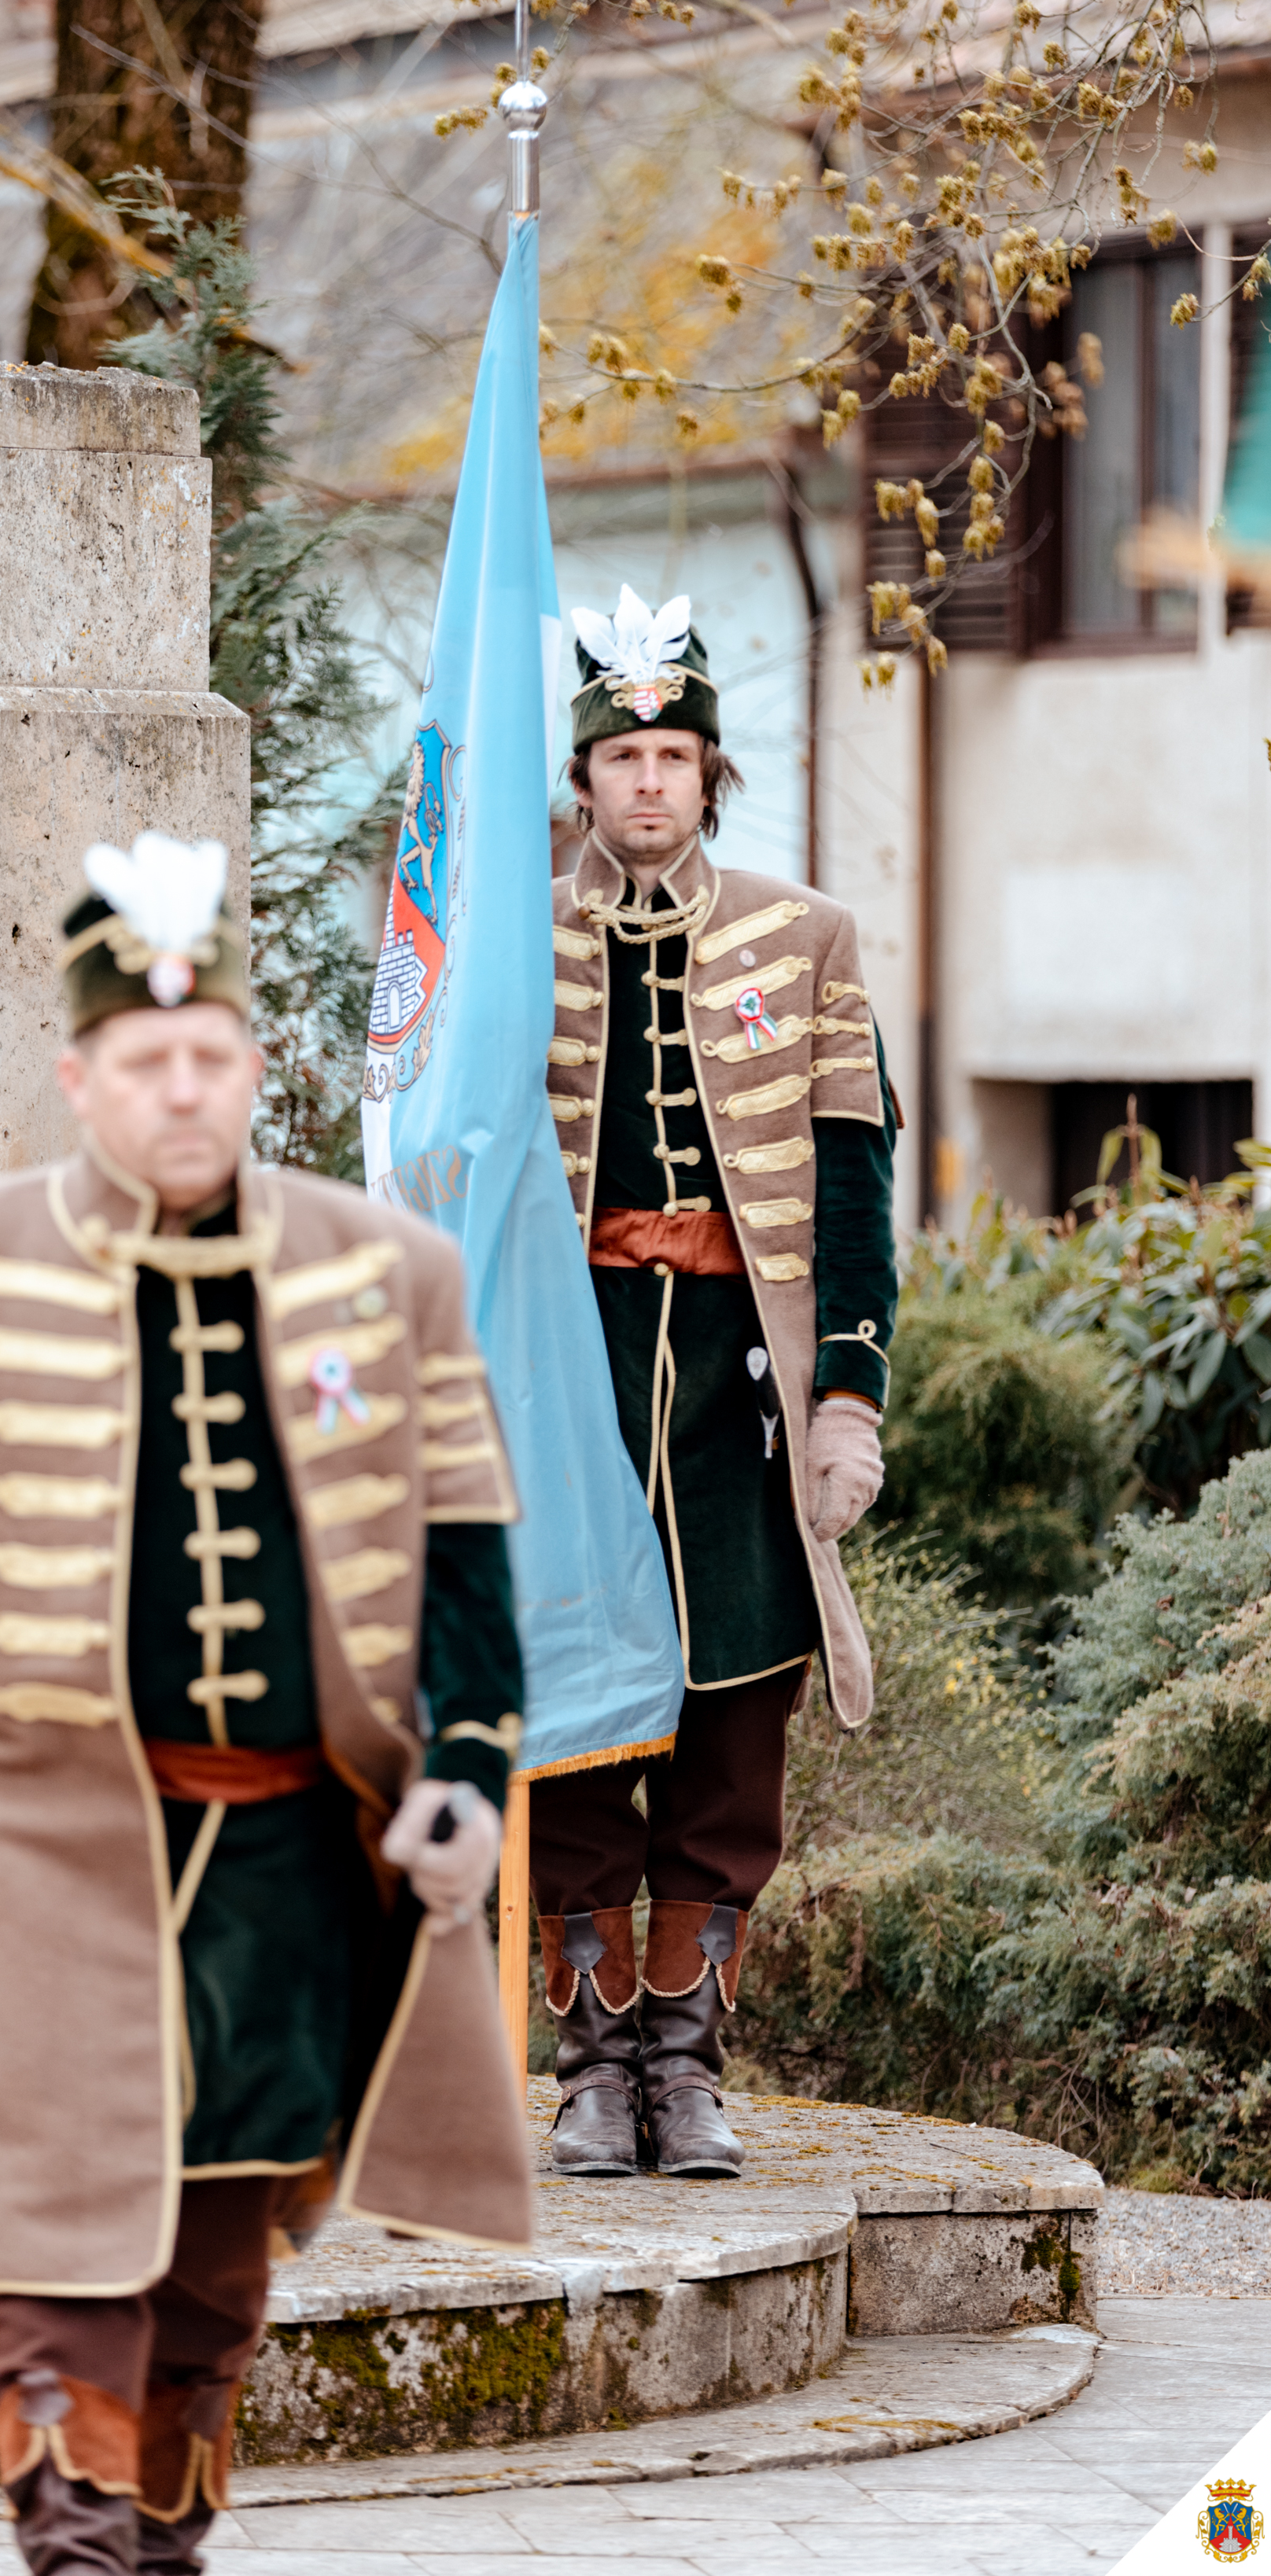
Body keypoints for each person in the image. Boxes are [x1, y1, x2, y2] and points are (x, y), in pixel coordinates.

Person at [0, 832, 532, 2574]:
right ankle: (76, 2546)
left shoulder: (385, 1271)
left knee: (218, 2238)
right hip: (23, 1844)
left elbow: (463, 1539)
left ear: (252, 1065)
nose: (184, 1089)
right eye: (147, 1059)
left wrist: (469, 1762)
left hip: (285, 1850)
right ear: (78, 1077)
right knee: (52, 2218)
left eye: (211, 1056)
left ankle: (161, 2543)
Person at [537, 589, 900, 2182]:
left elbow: (852, 1186)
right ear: (583, 778)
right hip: (572, 1379)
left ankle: (682, 2072)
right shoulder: (509, 942)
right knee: (568, 1719)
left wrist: (846, 1402)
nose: (646, 781)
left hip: (738, 1388)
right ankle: (588, 2069)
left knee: (730, 1721)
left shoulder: (804, 937)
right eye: (620, 757)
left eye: (671, 755)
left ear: (707, 773)